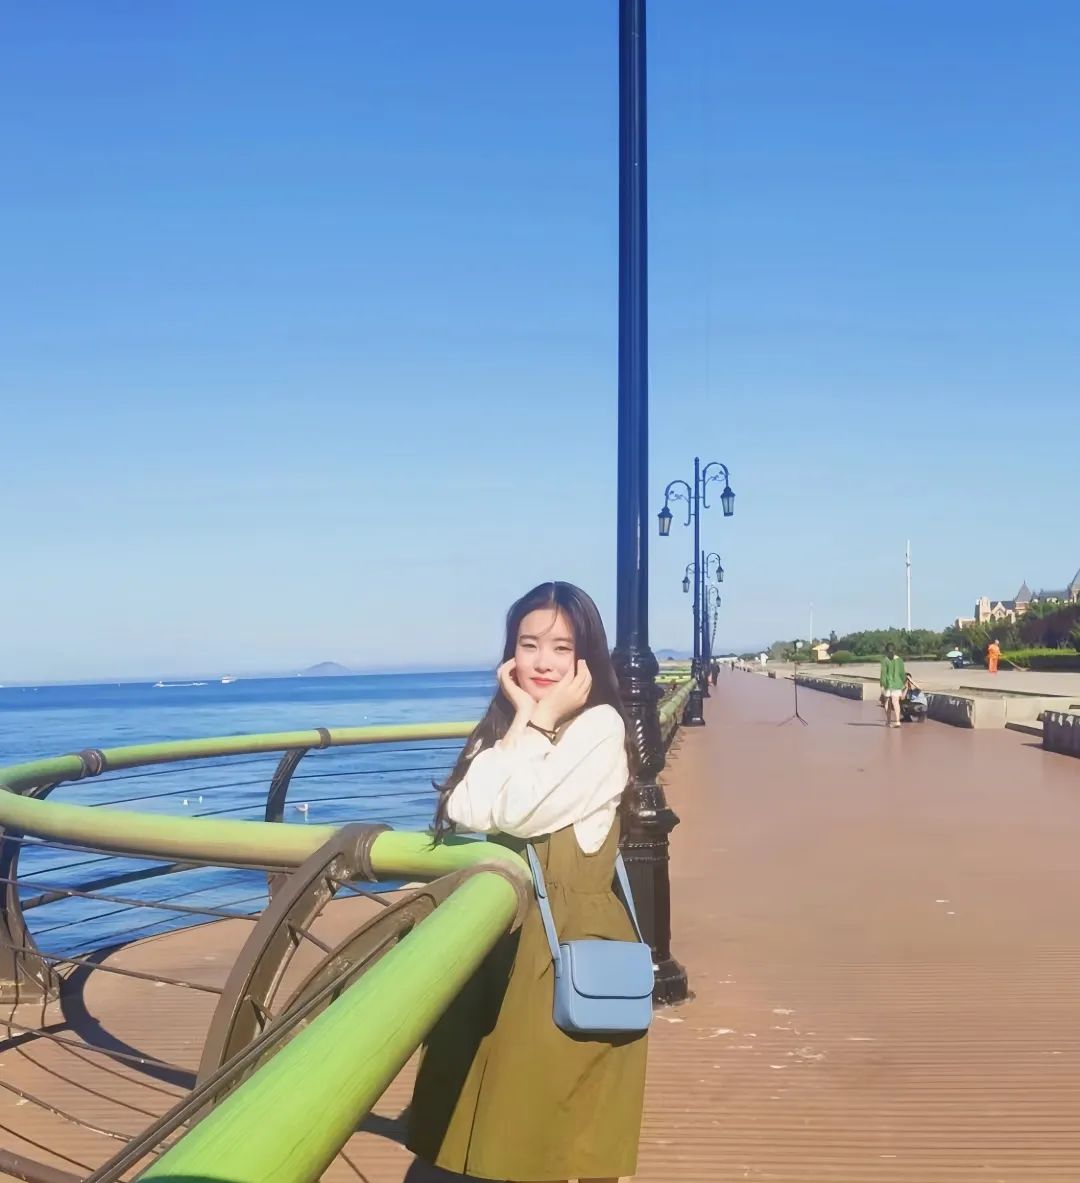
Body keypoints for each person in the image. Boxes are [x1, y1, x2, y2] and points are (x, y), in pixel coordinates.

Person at [407, 581, 647, 1183]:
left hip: (559, 954)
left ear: (586, 658)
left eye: (561, 648)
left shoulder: (598, 729)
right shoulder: (508, 725)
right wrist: (526, 720)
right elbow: (465, 807)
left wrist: (534, 723)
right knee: (483, 1125)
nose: (542, 662)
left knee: (548, 1133)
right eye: (528, 644)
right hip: (500, 944)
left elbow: (515, 812)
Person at [880, 643, 906, 729]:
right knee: (896, 702)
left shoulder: (885, 660)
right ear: (895, 650)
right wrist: (903, 682)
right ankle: (898, 721)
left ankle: (888, 721)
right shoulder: (900, 660)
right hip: (897, 684)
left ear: (886, 651)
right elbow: (902, 673)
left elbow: (883, 674)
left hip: (887, 684)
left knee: (887, 702)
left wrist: (882, 685)